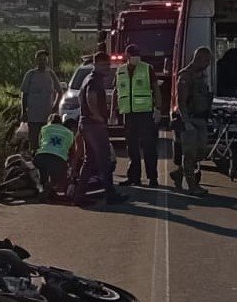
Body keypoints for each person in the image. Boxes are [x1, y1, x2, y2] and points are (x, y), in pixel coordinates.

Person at [71, 51, 126, 207]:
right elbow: (91, 98)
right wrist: (98, 117)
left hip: (85, 124)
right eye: (104, 65)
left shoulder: (88, 79)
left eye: (108, 64)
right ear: (96, 64)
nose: (107, 68)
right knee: (105, 160)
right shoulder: (94, 80)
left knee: (90, 160)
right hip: (94, 125)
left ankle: (79, 196)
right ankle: (111, 196)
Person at [170, 46, 213, 196]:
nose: (208, 64)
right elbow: (181, 100)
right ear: (199, 59)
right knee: (189, 153)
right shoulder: (185, 76)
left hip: (201, 118)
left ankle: (179, 173)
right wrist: (186, 121)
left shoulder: (201, 75)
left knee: (201, 152)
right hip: (189, 119)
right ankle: (192, 186)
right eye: (207, 60)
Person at [115, 44, 160, 187]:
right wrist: (113, 111)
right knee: (132, 148)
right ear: (127, 56)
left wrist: (158, 109)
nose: (135, 57)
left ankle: (153, 178)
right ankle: (134, 177)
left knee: (149, 147)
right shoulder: (120, 71)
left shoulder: (147, 68)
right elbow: (117, 91)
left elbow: (156, 89)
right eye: (133, 54)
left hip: (145, 114)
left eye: (137, 54)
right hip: (128, 114)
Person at [19, 50, 62, 152]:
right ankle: (34, 161)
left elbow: (60, 92)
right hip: (33, 115)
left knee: (47, 142)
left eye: (44, 60)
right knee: (34, 143)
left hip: (47, 115)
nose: (42, 62)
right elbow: (24, 94)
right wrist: (23, 112)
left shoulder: (51, 74)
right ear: (36, 61)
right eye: (40, 60)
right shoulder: (30, 74)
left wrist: (55, 106)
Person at [34, 114, 75, 200]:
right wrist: (70, 166)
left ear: (49, 122)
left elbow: (39, 144)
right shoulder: (69, 133)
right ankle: (51, 187)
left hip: (41, 157)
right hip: (59, 160)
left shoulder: (44, 129)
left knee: (42, 167)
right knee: (58, 171)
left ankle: (43, 186)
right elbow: (72, 151)